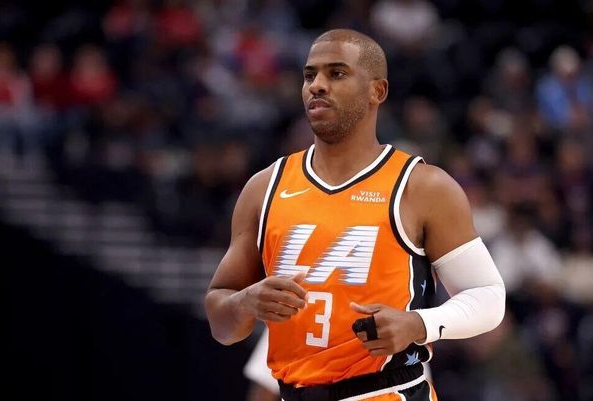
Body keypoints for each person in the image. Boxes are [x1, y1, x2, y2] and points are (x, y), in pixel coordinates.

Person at [205, 29, 506, 401]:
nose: (317, 85)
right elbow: (222, 323)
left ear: (377, 91)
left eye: (336, 73)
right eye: (309, 75)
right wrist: (244, 302)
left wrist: (419, 323)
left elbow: (489, 297)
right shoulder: (264, 187)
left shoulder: (422, 186)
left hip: (388, 391)